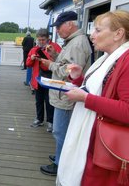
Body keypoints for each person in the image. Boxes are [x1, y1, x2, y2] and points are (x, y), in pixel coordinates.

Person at [57, 10, 129, 186]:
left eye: (97, 30)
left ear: (118, 34)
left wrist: (86, 99)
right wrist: (79, 78)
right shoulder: (108, 58)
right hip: (95, 140)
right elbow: (101, 89)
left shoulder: (126, 61)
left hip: (105, 147)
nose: (92, 35)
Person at [39, 11, 92, 176]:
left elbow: (70, 71)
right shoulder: (73, 41)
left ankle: (60, 164)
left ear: (70, 24)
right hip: (64, 95)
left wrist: (50, 64)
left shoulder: (77, 43)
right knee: (61, 131)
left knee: (60, 131)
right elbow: (67, 63)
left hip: (67, 97)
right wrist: (54, 55)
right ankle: (60, 156)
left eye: (59, 27)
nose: (58, 31)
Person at [26, 29, 61, 132]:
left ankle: (51, 122)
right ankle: (39, 119)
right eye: (39, 39)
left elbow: (59, 62)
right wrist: (32, 58)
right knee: (39, 101)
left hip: (50, 79)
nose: (41, 41)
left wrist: (44, 56)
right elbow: (28, 64)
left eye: (43, 40)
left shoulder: (55, 47)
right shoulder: (34, 49)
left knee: (50, 101)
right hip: (38, 79)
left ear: (48, 39)